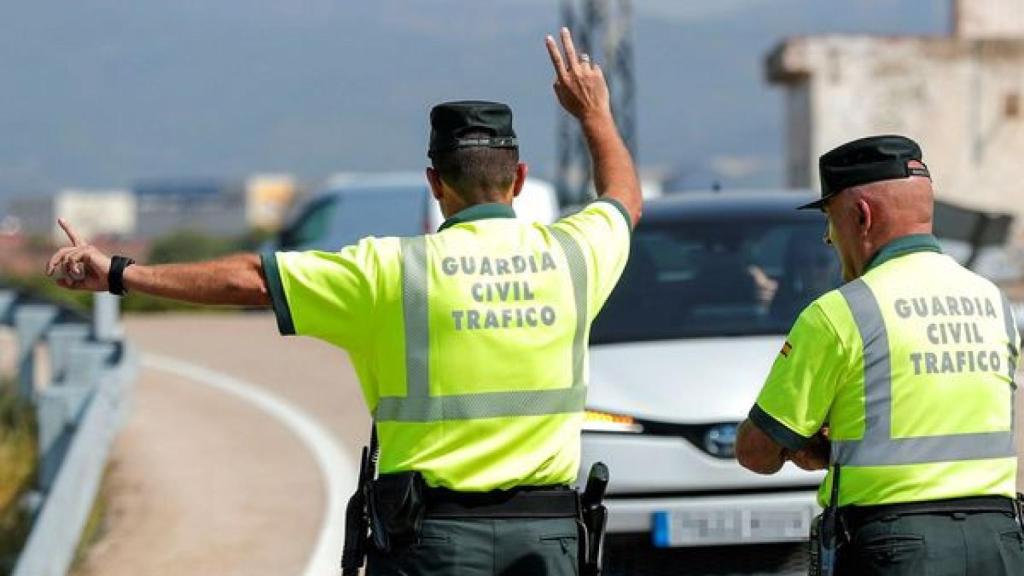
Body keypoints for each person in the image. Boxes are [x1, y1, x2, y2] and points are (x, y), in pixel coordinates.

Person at [46, 28, 641, 576]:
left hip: (432, 543)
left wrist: (121, 273)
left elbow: (253, 278)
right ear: (519, 178)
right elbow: (622, 201)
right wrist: (595, 115)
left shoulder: (388, 270)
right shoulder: (575, 256)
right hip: (547, 540)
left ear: (435, 183)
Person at [734, 135, 1023, 575]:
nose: (829, 239)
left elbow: (756, 452)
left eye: (830, 221)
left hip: (896, 548)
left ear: (861, 215)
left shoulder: (841, 312)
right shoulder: (993, 302)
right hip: (998, 543)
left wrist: (811, 448)